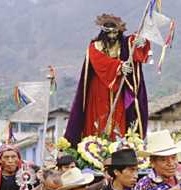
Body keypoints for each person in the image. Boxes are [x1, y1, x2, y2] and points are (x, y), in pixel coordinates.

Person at [64, 13, 150, 145]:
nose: (112, 36)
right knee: (98, 120)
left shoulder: (125, 44)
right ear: (103, 33)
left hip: (118, 90)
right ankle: (94, 148)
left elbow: (135, 45)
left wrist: (142, 42)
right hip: (99, 90)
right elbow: (100, 62)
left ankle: (119, 147)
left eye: (115, 33)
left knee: (119, 118)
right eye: (109, 34)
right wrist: (119, 67)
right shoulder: (94, 47)